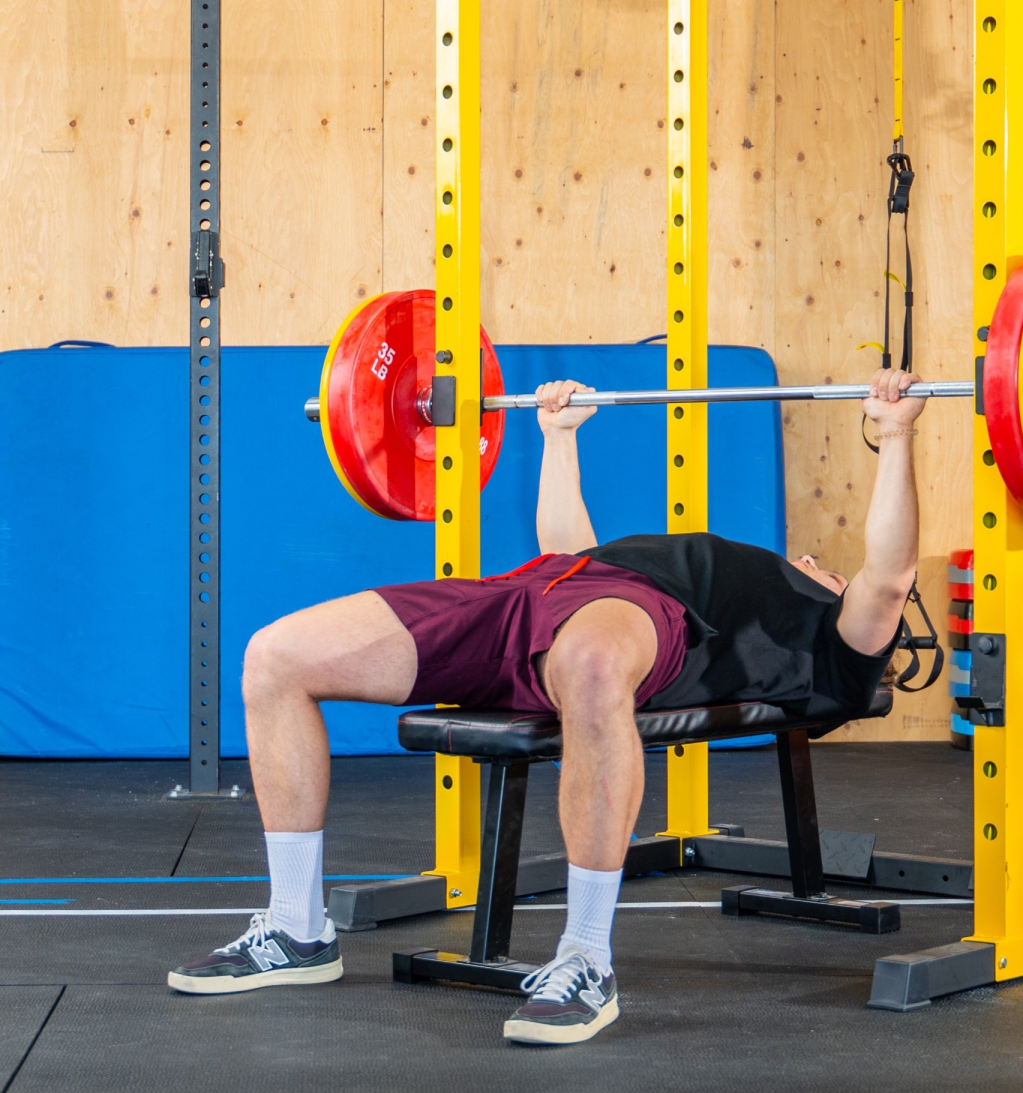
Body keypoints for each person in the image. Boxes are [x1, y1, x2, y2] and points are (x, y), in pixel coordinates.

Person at [167, 368, 926, 1045]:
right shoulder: (716, 571)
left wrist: (893, 437)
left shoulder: (832, 640)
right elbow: (570, 554)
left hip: (636, 620)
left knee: (594, 665)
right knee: (274, 655)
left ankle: (586, 960)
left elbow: (888, 577)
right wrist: (557, 439)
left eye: (832, 568)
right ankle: (298, 929)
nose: (819, 562)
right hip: (534, 589)